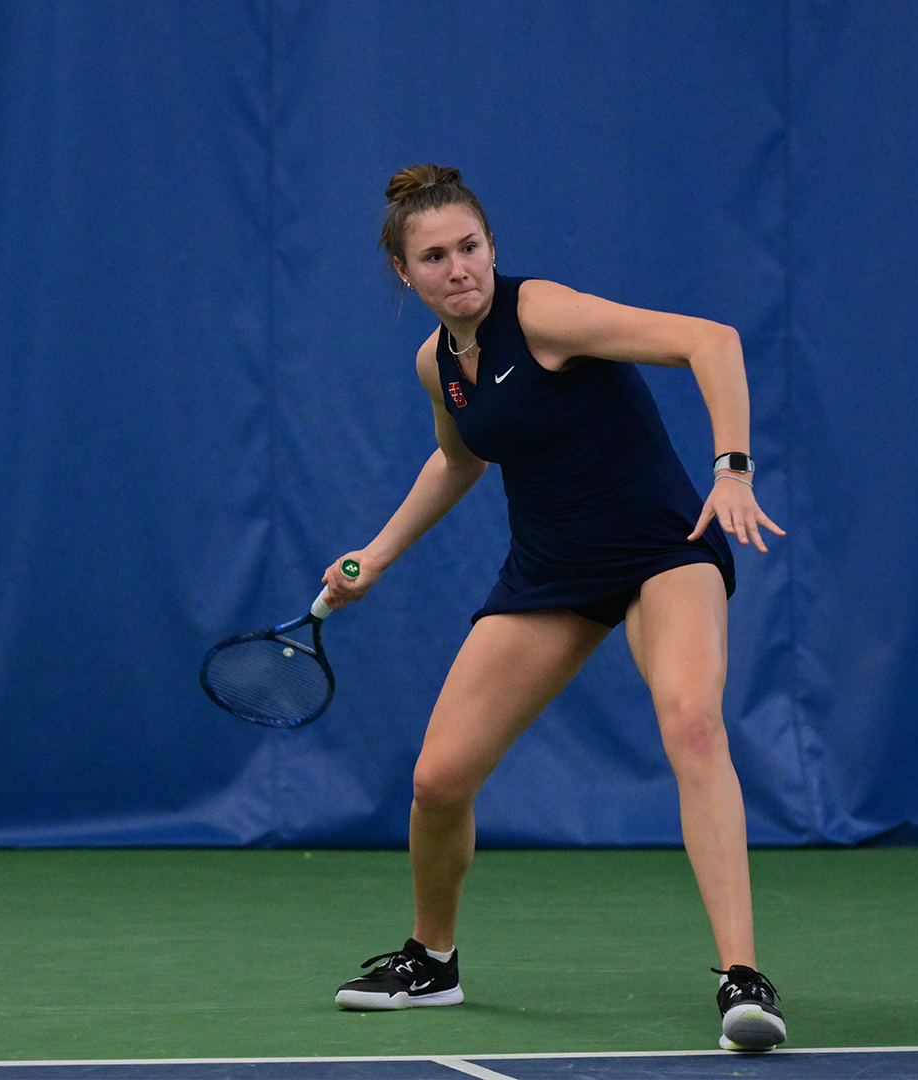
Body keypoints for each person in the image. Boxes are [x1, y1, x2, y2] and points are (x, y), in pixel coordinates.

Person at [320, 164, 787, 1052]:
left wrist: (732, 467)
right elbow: (460, 460)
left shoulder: (540, 313)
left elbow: (711, 340)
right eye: (435, 257)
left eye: (470, 247)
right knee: (438, 779)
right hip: (552, 571)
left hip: (662, 548)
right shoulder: (437, 365)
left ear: (491, 247)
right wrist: (374, 557)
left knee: (692, 723)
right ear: (404, 274)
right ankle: (432, 960)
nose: (458, 268)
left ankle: (742, 978)